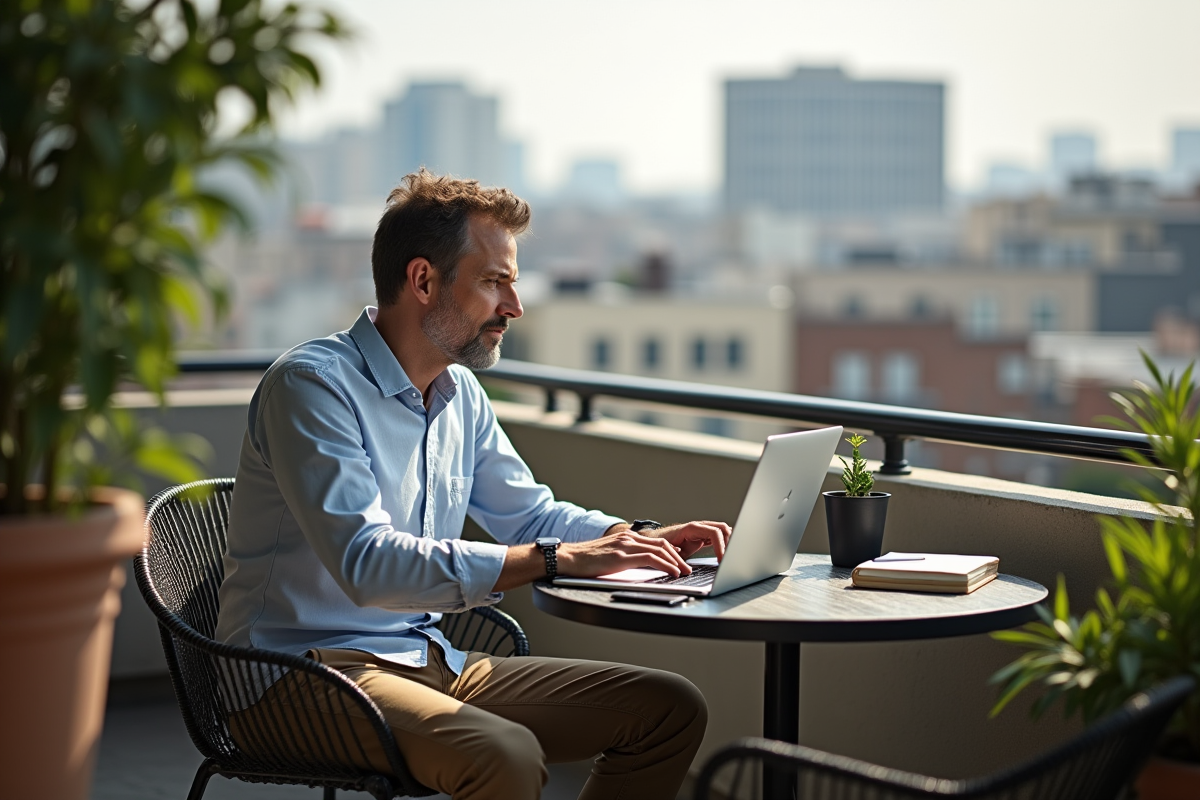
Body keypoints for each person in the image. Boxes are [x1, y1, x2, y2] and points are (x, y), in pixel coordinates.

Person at [215, 169, 732, 800]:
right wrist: (555, 560)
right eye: (494, 283)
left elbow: (531, 515)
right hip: (296, 674)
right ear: (423, 280)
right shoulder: (311, 388)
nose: (513, 307)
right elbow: (367, 563)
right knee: (504, 755)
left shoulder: (460, 395)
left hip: (428, 660)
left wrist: (635, 537)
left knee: (668, 708)